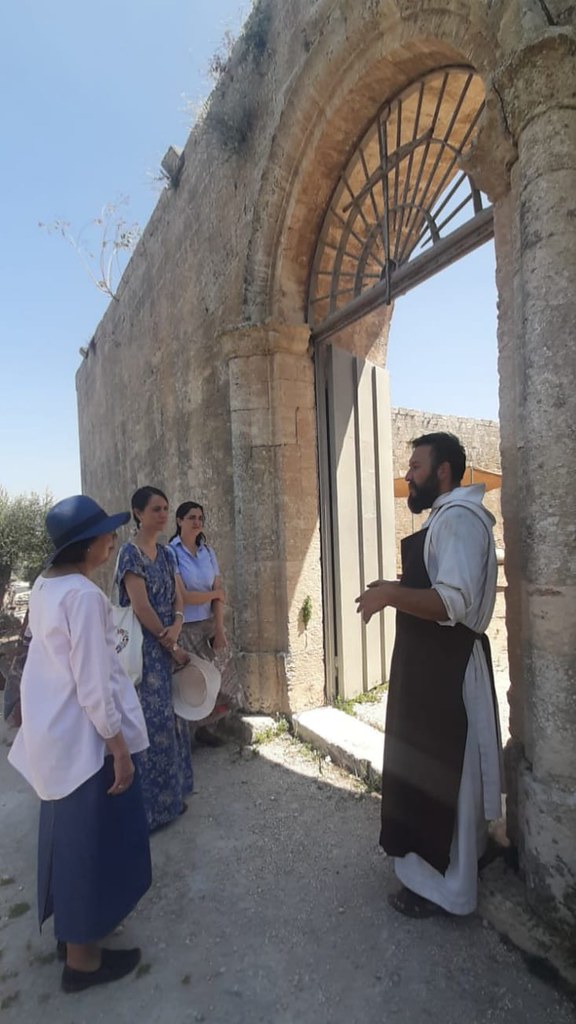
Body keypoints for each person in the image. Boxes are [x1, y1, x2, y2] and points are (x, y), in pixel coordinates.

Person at [8, 495, 151, 994]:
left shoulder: (48, 587)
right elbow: (93, 683)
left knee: (64, 840)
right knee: (90, 845)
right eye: (107, 534)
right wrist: (117, 747)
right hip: (83, 741)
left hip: (54, 737)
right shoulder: (85, 598)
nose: (113, 540)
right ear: (88, 545)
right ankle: (83, 962)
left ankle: (70, 936)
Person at [356, 432, 502, 919]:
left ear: (443, 471)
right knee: (431, 775)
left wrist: (390, 597)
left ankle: (448, 891)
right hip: (431, 672)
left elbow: (451, 603)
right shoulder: (449, 517)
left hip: (446, 673)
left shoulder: (459, 520)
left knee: (445, 782)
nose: (408, 475)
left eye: (416, 466)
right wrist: (395, 587)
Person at [116, 486, 193, 831]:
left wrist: (177, 623)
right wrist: (169, 642)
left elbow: (179, 596)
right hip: (147, 654)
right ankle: (151, 811)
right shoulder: (129, 556)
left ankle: (174, 797)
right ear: (138, 513)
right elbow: (140, 605)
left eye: (166, 508)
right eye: (156, 509)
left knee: (176, 720)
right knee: (152, 727)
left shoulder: (166, 553)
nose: (163, 514)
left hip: (168, 641)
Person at [169, 501, 240, 746]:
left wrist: (219, 629)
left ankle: (209, 727)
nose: (197, 521)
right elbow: (185, 597)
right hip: (186, 628)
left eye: (200, 517)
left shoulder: (208, 552)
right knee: (195, 682)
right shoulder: (171, 553)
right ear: (179, 521)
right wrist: (213, 595)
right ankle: (188, 736)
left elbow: (218, 591)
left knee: (225, 681)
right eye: (191, 517)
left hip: (210, 624)